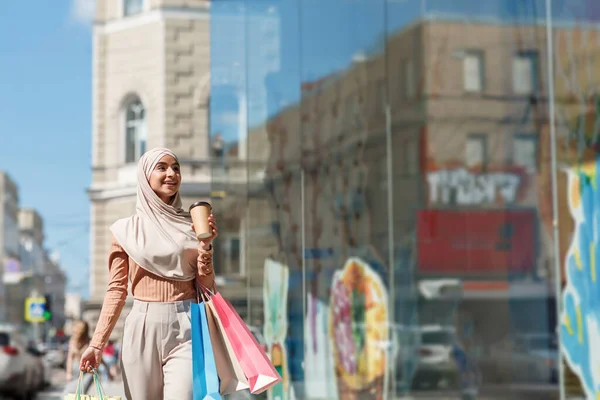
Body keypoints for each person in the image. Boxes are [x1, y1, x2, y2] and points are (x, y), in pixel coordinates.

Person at [79, 148, 218, 400]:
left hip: (186, 325)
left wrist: (205, 247)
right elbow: (116, 290)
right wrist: (97, 344)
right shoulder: (125, 230)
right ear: (145, 175)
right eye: (162, 167)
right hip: (142, 328)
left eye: (176, 168)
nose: (171, 174)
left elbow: (206, 286)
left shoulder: (192, 225)